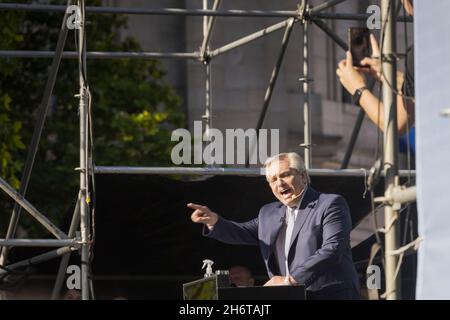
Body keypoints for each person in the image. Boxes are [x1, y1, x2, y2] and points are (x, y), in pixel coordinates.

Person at [188, 152, 360, 300]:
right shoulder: (269, 213)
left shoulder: (330, 204)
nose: (280, 183)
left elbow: (333, 249)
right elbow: (242, 232)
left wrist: (290, 280)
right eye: (273, 179)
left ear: (303, 175)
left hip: (329, 294)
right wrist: (214, 221)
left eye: (285, 175)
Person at [336, 0, 414, 135]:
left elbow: (394, 124)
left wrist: (357, 88)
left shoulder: (423, 49)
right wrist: (387, 75)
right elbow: (417, 89)